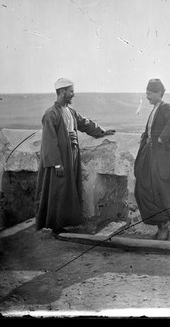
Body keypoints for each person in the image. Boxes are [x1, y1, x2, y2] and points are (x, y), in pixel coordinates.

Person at [36, 78, 116, 234]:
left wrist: (102, 131)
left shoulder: (70, 111)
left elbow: (85, 123)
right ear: (62, 92)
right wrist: (57, 164)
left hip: (71, 156)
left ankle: (64, 223)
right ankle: (55, 226)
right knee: (57, 191)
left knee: (68, 190)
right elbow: (49, 143)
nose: (73, 94)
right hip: (59, 160)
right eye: (71, 91)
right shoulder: (50, 115)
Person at [133, 78, 170, 240]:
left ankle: (164, 227)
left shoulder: (166, 107)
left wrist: (161, 139)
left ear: (159, 93)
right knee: (143, 189)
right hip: (151, 158)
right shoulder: (155, 108)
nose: (147, 97)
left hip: (163, 160)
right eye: (146, 93)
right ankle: (160, 224)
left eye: (150, 93)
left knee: (160, 192)